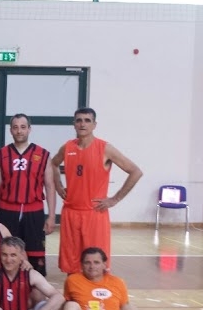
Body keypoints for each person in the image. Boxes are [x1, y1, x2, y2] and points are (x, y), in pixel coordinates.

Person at [50, 108, 142, 274]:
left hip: (94, 213)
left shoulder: (105, 148)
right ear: (74, 124)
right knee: (72, 265)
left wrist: (115, 199)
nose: (82, 124)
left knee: (96, 265)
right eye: (79, 120)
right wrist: (58, 186)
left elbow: (136, 172)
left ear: (94, 125)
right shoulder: (67, 147)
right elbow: (53, 164)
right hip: (71, 212)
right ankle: (74, 290)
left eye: (87, 120)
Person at [0, 113, 56, 274]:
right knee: (7, 251)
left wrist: (52, 216)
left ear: (29, 129)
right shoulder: (2, 154)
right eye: (15, 127)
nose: (19, 131)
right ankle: (6, 285)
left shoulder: (42, 154)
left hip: (34, 211)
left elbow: (49, 186)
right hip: (7, 210)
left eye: (23, 127)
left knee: (35, 252)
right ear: (10, 130)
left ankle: (35, 286)